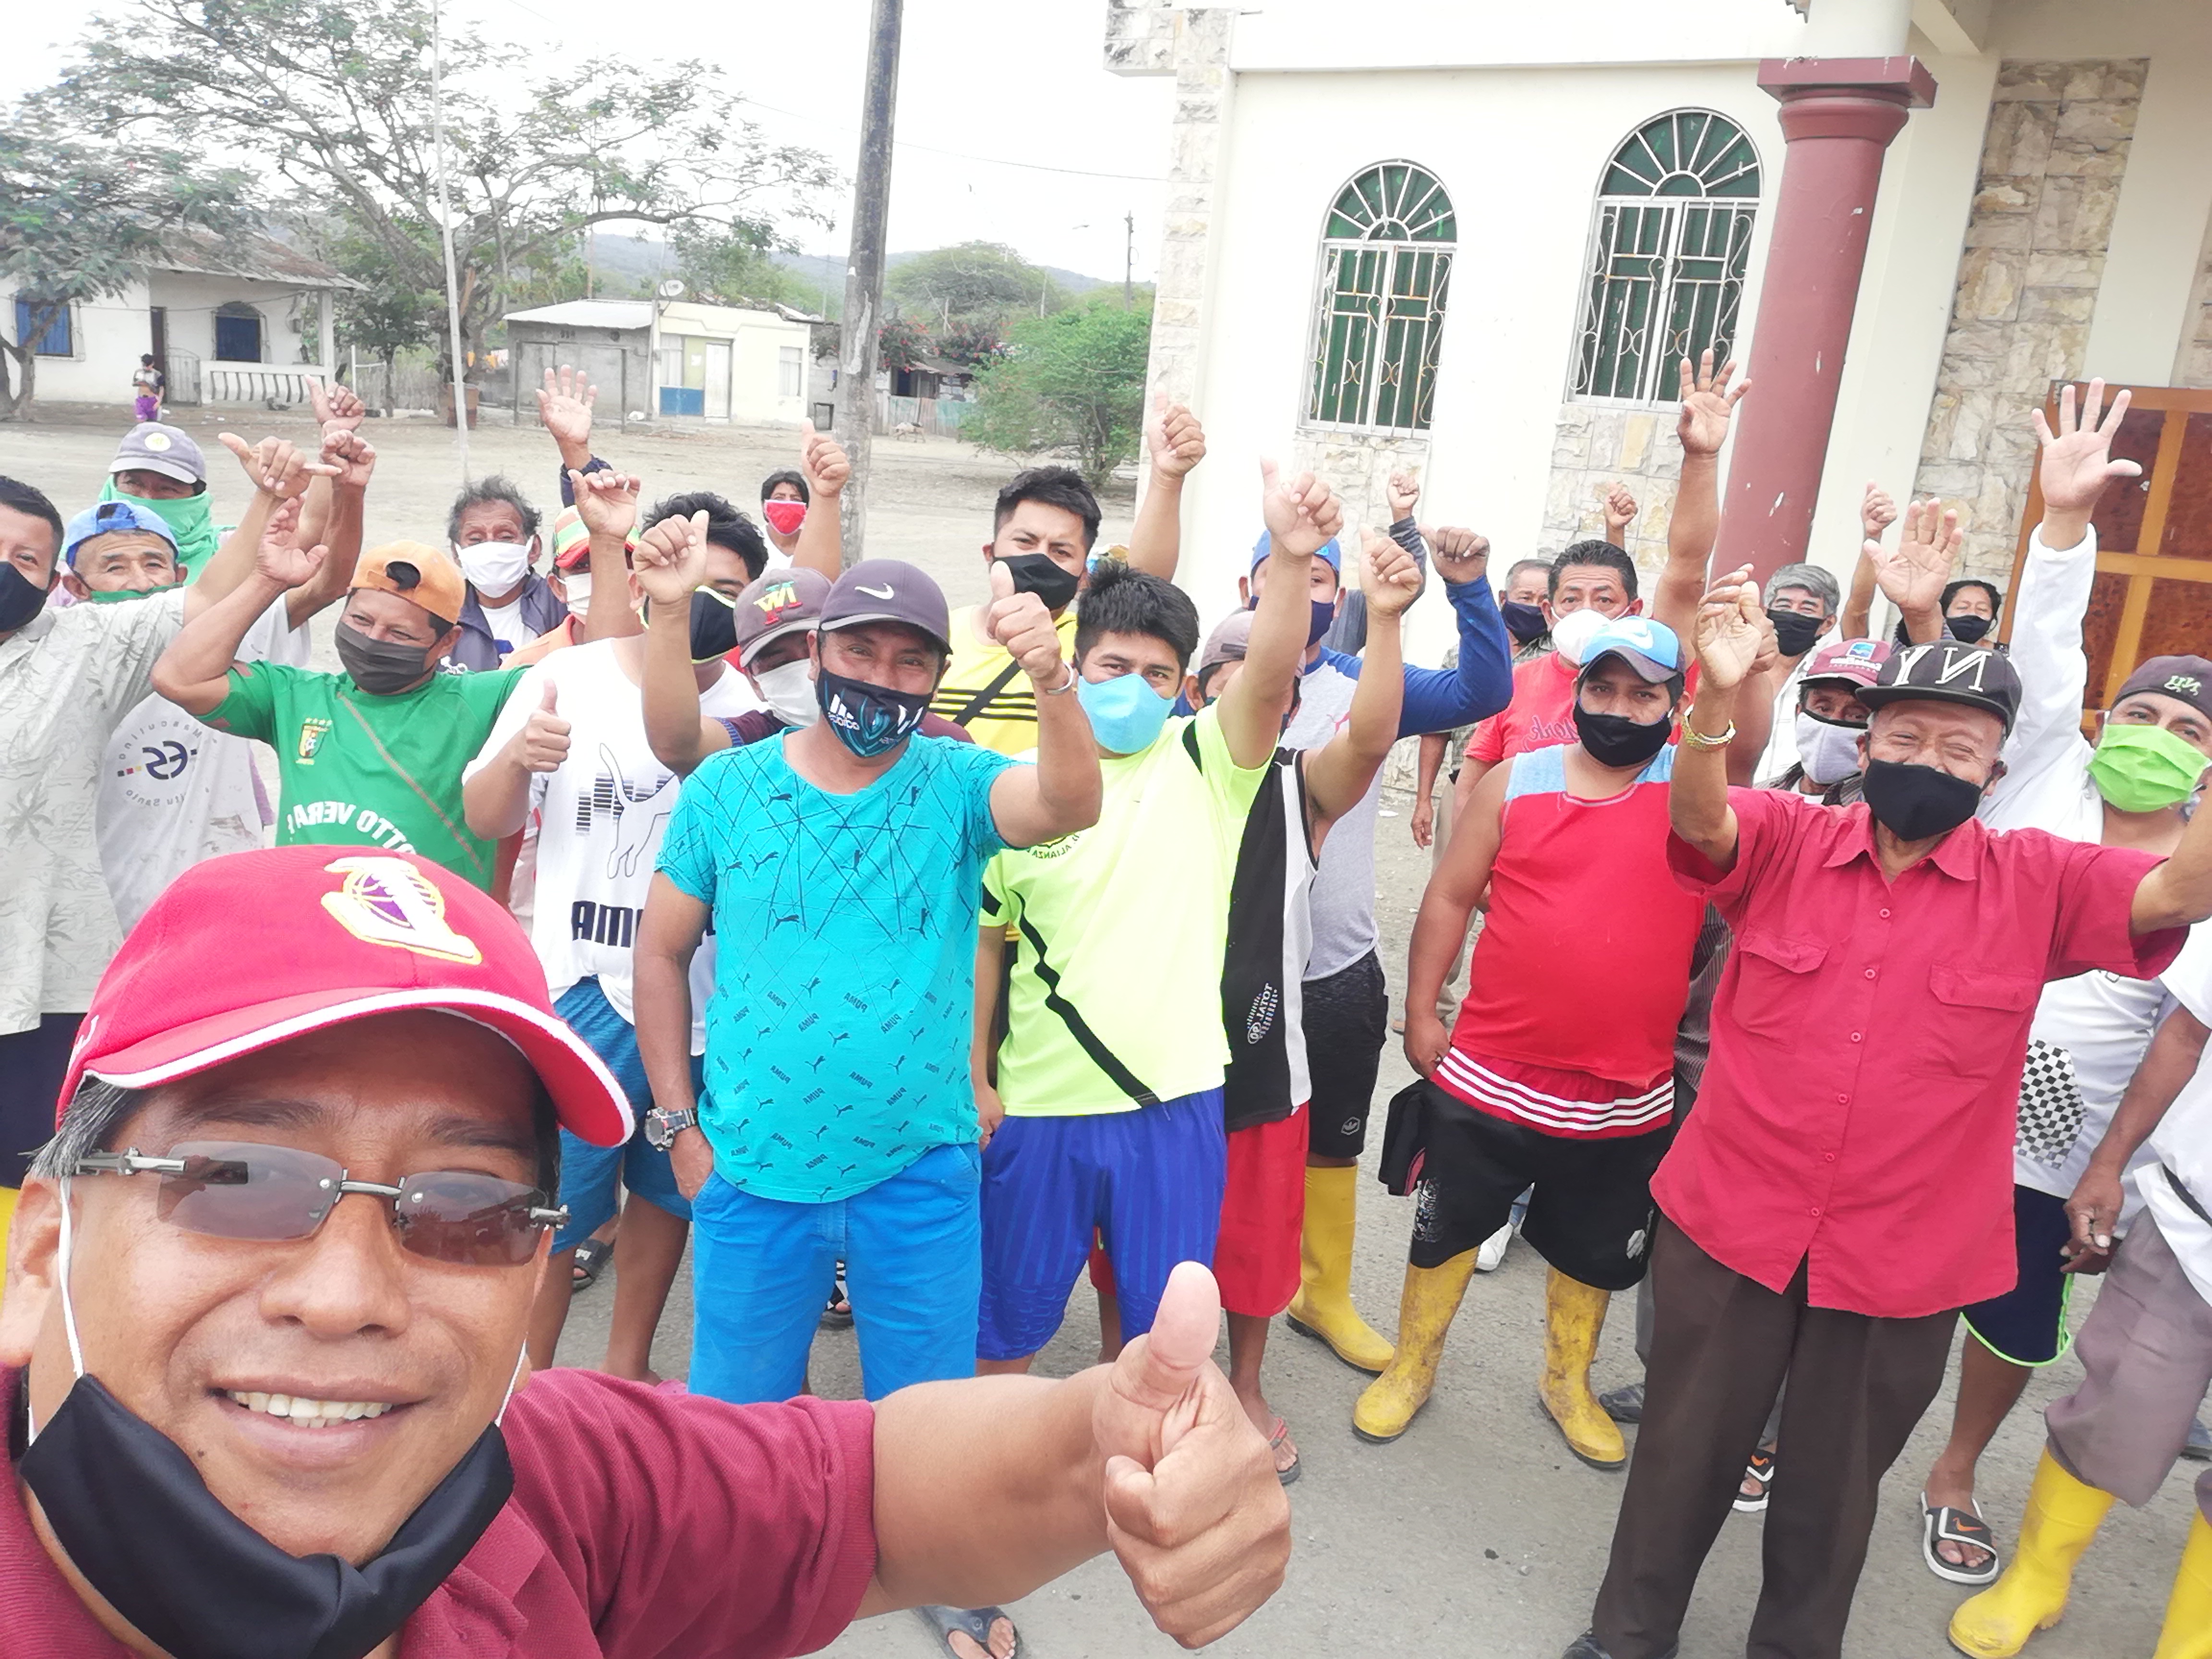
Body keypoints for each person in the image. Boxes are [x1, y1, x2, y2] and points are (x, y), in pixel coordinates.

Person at [0, 844, 1290, 1659]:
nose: (345, 1295)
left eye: (465, 1205)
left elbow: (868, 1495)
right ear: (39, 1245)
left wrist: (1111, 1450)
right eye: (238, 1179)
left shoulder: (547, 1485)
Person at [1561, 564, 2212, 1659]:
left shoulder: (2038, 880)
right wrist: (1713, 700)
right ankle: (1627, 1635)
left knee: (1832, 1492)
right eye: (1905, 738)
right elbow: (1702, 822)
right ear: (1865, 749)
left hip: (1903, 1256)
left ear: (1994, 772)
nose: (1927, 761)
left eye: (1959, 749)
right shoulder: (1789, 836)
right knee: (1679, 1454)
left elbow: (2178, 893)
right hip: (1732, 1221)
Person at [1917, 380, 2212, 1584]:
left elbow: (2181, 1038)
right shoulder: (2046, 774)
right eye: (2138, 711)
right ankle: (1791, 1430)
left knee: (2011, 1320)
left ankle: (1953, 1472)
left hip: (2057, 1148)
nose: (2155, 734)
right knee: (1859, 1278)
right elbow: (2042, 652)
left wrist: (2116, 1176)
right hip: (1929, 1091)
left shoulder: (2196, 873)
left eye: (2188, 731)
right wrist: (2064, 526)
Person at [971, 462, 1339, 1398]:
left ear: (1182, 688)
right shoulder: (1016, 787)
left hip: (1173, 1109)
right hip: (1039, 1107)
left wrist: (1290, 556)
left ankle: (1137, 1463)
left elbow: (1267, 678)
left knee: (1164, 1342)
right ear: (1076, 660)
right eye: (1112, 667)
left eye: (1157, 674)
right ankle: (990, 1464)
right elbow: (985, 944)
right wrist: (975, 1076)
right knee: (1004, 1329)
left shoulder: (1208, 761)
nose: (1132, 687)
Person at [1093, 527, 1421, 1484]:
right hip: (1142, 1067)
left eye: (1269, 688)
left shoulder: (1298, 787)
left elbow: (1371, 736)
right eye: (1229, 677)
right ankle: (1124, 1377)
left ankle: (1242, 1384)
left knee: (1252, 1252)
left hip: (1262, 1068)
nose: (1251, 696)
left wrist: (1385, 622)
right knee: (1130, 1249)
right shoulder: (1136, 776)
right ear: (1198, 694)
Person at [1383, 613, 1742, 1465]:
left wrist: (1730, 687)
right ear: (1575, 692)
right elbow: (1449, 897)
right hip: (1488, 1072)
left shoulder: (1695, 797)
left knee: (1594, 1251)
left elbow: (1744, 751)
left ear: (1675, 704)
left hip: (1627, 1088)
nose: (1619, 707)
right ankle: (1411, 1366)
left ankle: (1565, 1380)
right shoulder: (1517, 780)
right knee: (1445, 1229)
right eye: (1602, 688)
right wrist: (1424, 1009)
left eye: (1642, 694)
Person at [459, 473, 757, 1386]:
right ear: (644, 574)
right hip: (585, 993)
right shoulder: (567, 680)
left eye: (726, 589)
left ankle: (627, 1373)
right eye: (688, 577)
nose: (703, 600)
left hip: (707, 1006)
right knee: (556, 1209)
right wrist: (518, 759)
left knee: (666, 1197)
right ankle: (527, 1387)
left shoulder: (755, 705)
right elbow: (484, 815)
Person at [0, 442, 303, 1274]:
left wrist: (263, 516)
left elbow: (199, 601)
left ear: (51, 581)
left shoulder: (83, 644)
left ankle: (31, 1342)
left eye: (25, 559)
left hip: (44, 978)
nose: (7, 569)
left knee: (37, 1192)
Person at [1272, 515, 1513, 1372]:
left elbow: (1482, 692)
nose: (1300, 590)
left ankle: (1323, 1296)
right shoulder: (1212, 678)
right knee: (1217, 1140)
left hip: (1336, 966)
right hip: (1225, 971)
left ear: (1336, 595)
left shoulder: (1359, 680)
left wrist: (1468, 590)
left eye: (1317, 579)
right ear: (1247, 588)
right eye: (1282, 572)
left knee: (1333, 1139)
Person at [1944, 946, 2212, 1659]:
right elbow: (2185, 1032)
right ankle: (2037, 1577)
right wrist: (2109, 1166)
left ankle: (2192, 1644)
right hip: (2192, 1226)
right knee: (2116, 1407)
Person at [152, 511, 532, 890]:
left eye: (399, 634)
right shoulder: (293, 697)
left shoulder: (485, 700)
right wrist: (267, 582)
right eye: (361, 621)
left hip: (427, 923)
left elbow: (571, 666)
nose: (373, 640)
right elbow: (179, 678)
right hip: (304, 921)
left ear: (448, 642)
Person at [926, 398, 1205, 755]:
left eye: (1061, 551)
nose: (1040, 559)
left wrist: (1167, 478)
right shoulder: (939, 633)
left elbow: (1146, 587)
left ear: (1083, 576)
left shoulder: (1091, 645)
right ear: (990, 553)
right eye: (1025, 542)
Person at [445, 477, 563, 669]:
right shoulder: (441, 615)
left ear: (533, 548)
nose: (491, 546)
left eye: (506, 537)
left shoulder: (562, 604)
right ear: (456, 554)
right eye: (476, 539)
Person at [1747, 561, 1841, 778]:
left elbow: (1858, 614)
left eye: (1807, 609)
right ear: (1766, 613)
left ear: (1827, 624)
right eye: (1784, 606)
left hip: (1790, 796)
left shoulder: (1827, 679)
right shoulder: (1738, 670)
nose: (1793, 615)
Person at [99, 422, 220, 575]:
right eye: (133, 483)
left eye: (167, 488)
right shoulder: (76, 559)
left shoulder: (233, 555)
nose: (147, 499)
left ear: (198, 499)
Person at [760, 466, 809, 566]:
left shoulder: (813, 545)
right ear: (764, 505)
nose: (788, 504)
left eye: (795, 499)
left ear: (806, 508)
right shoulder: (753, 542)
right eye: (779, 498)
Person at [130, 354, 162, 422]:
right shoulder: (139, 372)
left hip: (152, 400)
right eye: (145, 366)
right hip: (141, 400)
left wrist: (159, 401)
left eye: (148, 366)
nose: (147, 368)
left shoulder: (157, 374)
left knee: (152, 422)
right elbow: (134, 383)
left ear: (153, 364)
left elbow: (161, 388)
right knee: (141, 420)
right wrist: (142, 383)